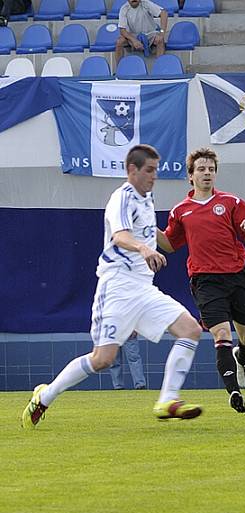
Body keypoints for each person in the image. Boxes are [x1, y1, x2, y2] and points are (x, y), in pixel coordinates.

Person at [21, 145, 203, 428]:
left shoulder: (146, 198)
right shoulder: (121, 197)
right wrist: (144, 249)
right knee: (103, 359)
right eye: (149, 170)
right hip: (117, 286)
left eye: (156, 170)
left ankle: (168, 400)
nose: (154, 176)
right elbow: (120, 235)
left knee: (190, 329)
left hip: (143, 288)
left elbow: (153, 234)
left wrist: (182, 237)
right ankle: (45, 396)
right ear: (132, 170)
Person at [162, 147, 245, 414]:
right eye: (202, 169)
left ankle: (243, 356)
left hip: (238, 277)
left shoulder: (231, 203)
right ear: (190, 176)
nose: (207, 173)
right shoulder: (180, 210)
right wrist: (147, 229)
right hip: (205, 281)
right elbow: (170, 244)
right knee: (221, 333)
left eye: (211, 169)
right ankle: (234, 392)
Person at [116, 0, 167, 64]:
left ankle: (160, 69)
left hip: (150, 34)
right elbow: (122, 30)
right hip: (133, 35)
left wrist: (162, 33)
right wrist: (134, 40)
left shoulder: (146, 3)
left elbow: (163, 13)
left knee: (160, 39)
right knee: (119, 41)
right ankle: (119, 70)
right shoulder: (124, 8)